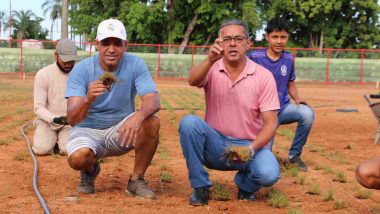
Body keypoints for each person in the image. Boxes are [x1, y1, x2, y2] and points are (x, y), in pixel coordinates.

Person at [179, 19, 280, 206]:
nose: (233, 43)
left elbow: (271, 124)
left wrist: (249, 149)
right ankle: (200, 187)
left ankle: (245, 185)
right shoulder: (212, 67)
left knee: (269, 174)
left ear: (248, 43)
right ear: (220, 43)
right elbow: (192, 80)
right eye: (227, 39)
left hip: (249, 146)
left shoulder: (263, 76)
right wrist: (209, 59)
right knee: (189, 123)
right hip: (216, 144)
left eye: (239, 38)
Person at [65, 18, 160, 199]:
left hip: (121, 130)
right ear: (96, 45)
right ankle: (90, 170)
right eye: (105, 43)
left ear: (126, 45)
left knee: (152, 121)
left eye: (117, 43)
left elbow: (153, 101)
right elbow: (72, 119)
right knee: (78, 158)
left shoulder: (135, 64)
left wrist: (138, 116)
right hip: (88, 130)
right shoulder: (82, 70)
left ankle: (136, 180)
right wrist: (88, 99)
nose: (111, 49)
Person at [247, 17, 314, 172]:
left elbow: (290, 83)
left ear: (287, 38)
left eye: (283, 37)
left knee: (307, 114)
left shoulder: (289, 58)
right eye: (275, 37)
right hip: (263, 113)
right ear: (267, 37)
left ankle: (294, 156)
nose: (279, 41)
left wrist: (297, 98)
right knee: (265, 159)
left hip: (282, 108)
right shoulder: (254, 57)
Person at [33, 38, 77, 155]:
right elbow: (38, 108)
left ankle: (59, 143)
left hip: (70, 122)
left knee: (68, 150)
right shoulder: (43, 74)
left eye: (71, 61)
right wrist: (54, 119)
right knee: (41, 150)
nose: (68, 64)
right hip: (47, 121)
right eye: (65, 60)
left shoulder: (79, 74)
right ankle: (44, 134)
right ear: (56, 55)